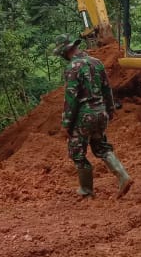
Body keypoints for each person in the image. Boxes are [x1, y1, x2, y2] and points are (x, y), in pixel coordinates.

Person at [53, 34, 133, 199]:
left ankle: (86, 190)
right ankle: (123, 176)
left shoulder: (72, 68)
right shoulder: (97, 63)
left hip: (84, 116)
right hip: (101, 113)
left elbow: (71, 99)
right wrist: (110, 109)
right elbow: (107, 89)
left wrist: (66, 124)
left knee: (76, 152)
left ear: (64, 51)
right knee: (101, 147)